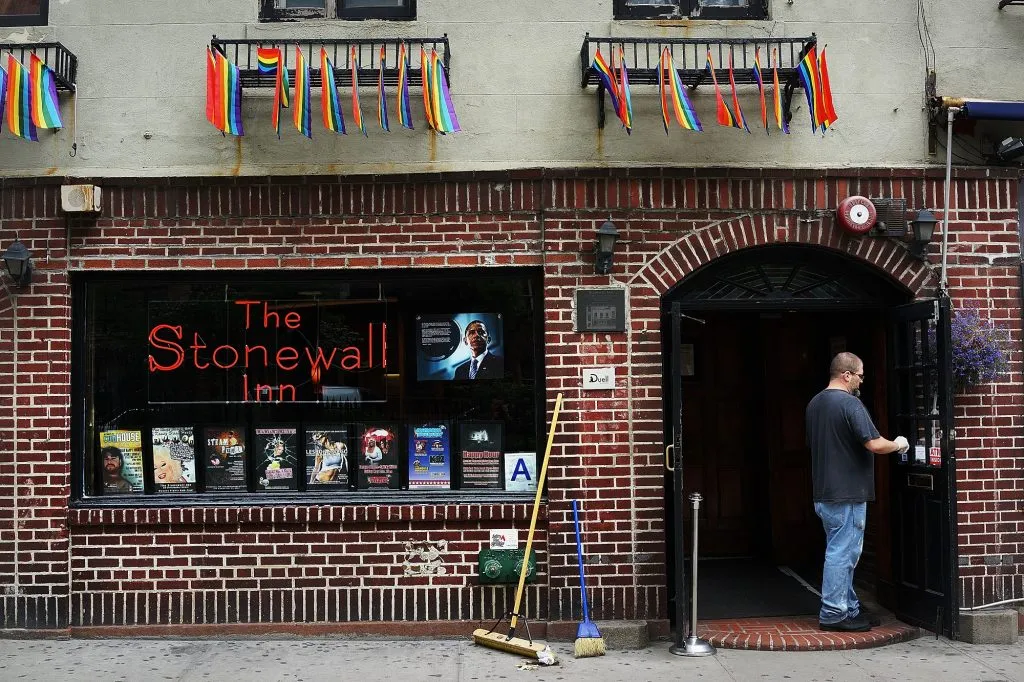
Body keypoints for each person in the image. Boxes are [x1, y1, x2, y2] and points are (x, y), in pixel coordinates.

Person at [805, 352, 910, 633]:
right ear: (846, 374)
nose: (862, 380)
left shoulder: (815, 403)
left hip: (824, 492)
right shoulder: (850, 404)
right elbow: (874, 444)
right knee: (843, 553)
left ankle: (849, 608)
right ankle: (834, 612)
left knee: (841, 550)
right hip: (847, 493)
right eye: (860, 375)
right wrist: (899, 444)